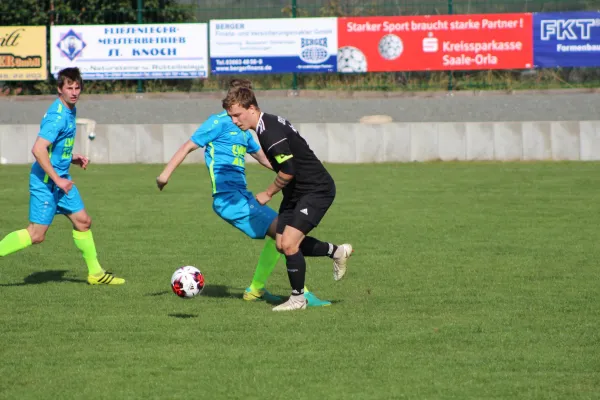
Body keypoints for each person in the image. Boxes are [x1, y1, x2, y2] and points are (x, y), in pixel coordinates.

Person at [156, 79, 332, 307]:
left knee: (281, 235)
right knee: (284, 233)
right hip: (229, 199)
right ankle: (305, 287)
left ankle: (257, 289)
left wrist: (292, 173)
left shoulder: (246, 130)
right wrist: (165, 175)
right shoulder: (218, 122)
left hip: (242, 196)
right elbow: (188, 146)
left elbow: (263, 157)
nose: (237, 118)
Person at [222, 86, 353, 312]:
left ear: (251, 108)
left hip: (315, 189)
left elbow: (289, 169)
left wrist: (268, 193)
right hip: (296, 192)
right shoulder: (266, 125)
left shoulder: (269, 132)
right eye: (230, 116)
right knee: (283, 244)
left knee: (290, 243)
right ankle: (337, 252)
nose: (234, 121)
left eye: (237, 115)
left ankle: (298, 299)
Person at [0, 67, 125, 285]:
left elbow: (54, 147)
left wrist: (71, 158)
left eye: (77, 87)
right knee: (36, 235)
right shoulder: (58, 117)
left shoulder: (69, 110)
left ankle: (95, 274)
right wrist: (57, 179)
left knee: (83, 221)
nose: (74, 92)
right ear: (60, 89)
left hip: (61, 180)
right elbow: (38, 149)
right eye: (69, 87)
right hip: (47, 183)